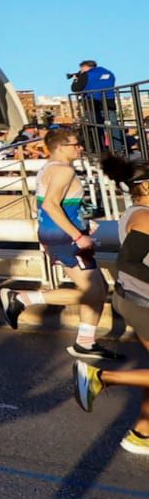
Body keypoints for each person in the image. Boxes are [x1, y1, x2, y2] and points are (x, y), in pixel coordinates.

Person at [0, 128, 124, 361]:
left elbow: (53, 207)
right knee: (92, 290)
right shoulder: (64, 171)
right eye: (75, 145)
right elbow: (50, 205)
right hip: (65, 238)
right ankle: (22, 299)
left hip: (56, 235)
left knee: (98, 288)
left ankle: (85, 343)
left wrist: (82, 223)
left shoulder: (48, 168)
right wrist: (77, 235)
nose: (80, 148)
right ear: (59, 147)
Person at [72, 154, 149, 453]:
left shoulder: (137, 212)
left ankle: (142, 433)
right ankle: (100, 377)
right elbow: (129, 262)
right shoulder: (143, 217)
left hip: (134, 298)